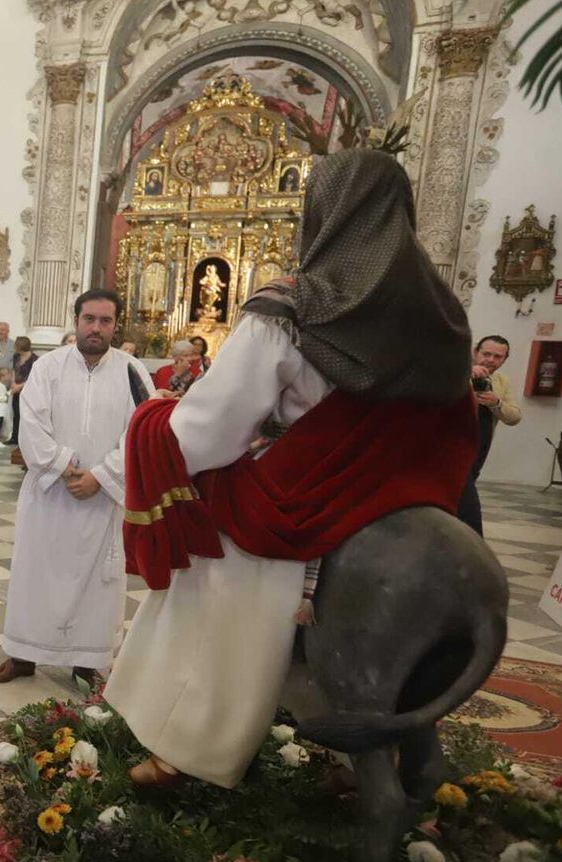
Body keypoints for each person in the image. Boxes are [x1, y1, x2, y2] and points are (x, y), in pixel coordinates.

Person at [106, 149, 477, 789]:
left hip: (306, 489)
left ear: (322, 214)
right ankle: (352, 751)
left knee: (221, 567)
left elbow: (214, 428)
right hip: (402, 492)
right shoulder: (440, 312)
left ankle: (190, 747)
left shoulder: (295, 304)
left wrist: (155, 426)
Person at [0, 290, 150, 688]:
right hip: (49, 497)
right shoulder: (48, 368)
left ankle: (88, 661)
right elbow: (31, 424)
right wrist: (64, 467)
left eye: (105, 321)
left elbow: (142, 432)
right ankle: (23, 654)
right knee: (34, 575)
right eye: (89, 319)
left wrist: (101, 476)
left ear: (116, 325)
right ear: (76, 320)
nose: (96, 328)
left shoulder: (132, 371)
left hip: (101, 499)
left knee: (97, 584)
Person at [456, 335, 521, 535]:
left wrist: (496, 403)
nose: (491, 360)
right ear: (475, 352)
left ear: (504, 359)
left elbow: (514, 416)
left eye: (498, 356)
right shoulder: (456, 370)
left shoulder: (501, 381)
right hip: (454, 444)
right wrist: (467, 373)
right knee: (467, 500)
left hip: (480, 445)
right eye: (486, 354)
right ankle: (475, 544)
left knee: (461, 495)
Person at [9, 336, 38, 445]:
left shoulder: (34, 359)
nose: (14, 346)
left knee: (25, 416)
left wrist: (19, 386)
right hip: (16, 389)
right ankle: (14, 437)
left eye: (16, 344)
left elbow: (33, 378)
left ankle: (25, 440)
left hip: (28, 390)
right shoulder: (16, 357)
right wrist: (13, 383)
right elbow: (14, 370)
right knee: (16, 414)